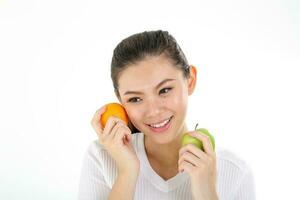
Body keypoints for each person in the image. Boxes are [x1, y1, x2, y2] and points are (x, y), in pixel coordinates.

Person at [78, 30, 256, 200]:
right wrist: (127, 172)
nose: (154, 111)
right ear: (120, 100)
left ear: (190, 80)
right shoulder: (102, 156)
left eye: (164, 90)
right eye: (135, 99)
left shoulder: (235, 172)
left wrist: (206, 193)